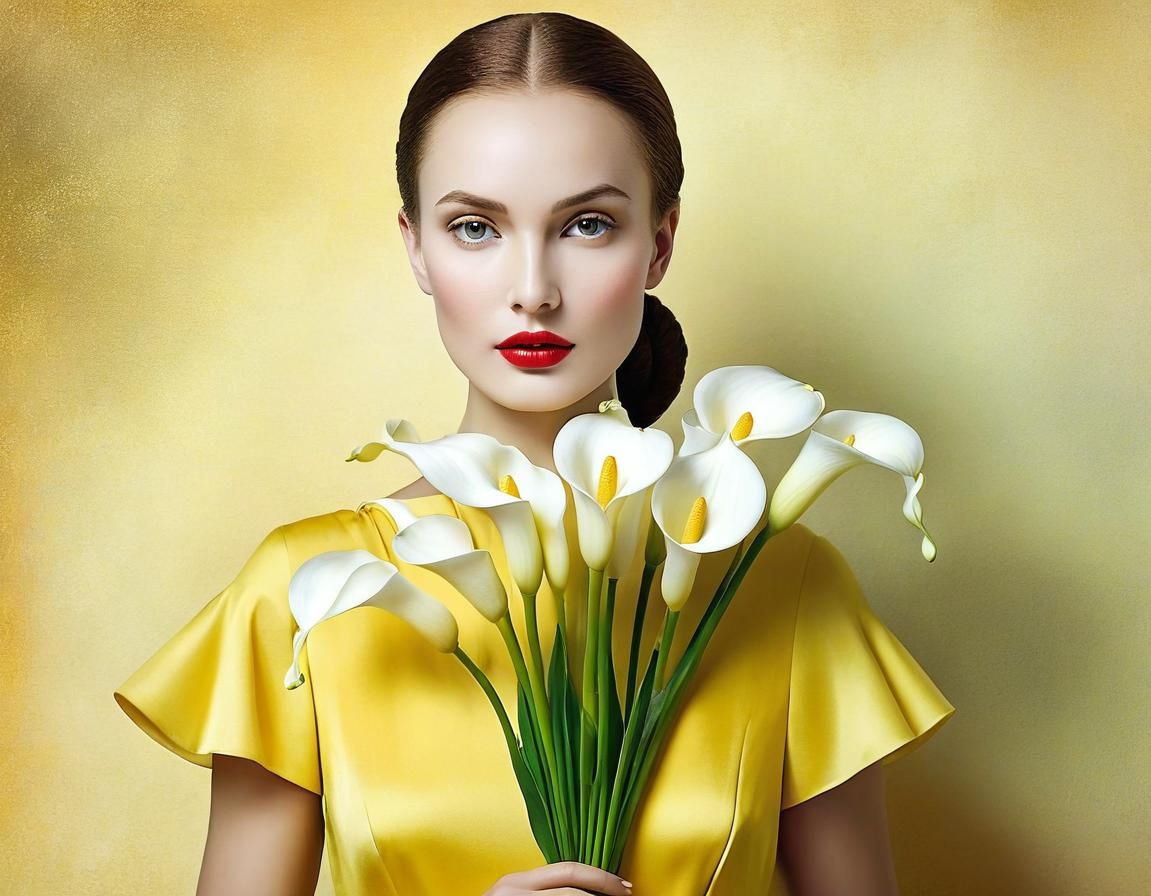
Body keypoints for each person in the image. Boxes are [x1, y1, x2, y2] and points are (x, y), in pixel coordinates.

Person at [113, 12, 954, 895]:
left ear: (660, 242)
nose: (533, 291)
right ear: (416, 247)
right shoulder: (306, 590)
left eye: (587, 224)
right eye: (475, 228)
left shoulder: (784, 586)